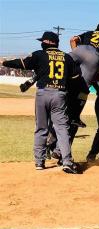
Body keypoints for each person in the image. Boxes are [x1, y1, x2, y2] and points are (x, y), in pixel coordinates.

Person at [0, 31, 80, 174]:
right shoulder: (67, 57)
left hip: (43, 93)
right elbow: (76, 78)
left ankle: (39, 162)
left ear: (48, 42)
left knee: (41, 128)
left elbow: (21, 63)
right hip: (60, 94)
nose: (41, 43)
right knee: (62, 128)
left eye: (43, 41)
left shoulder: (39, 54)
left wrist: (4, 62)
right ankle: (67, 161)